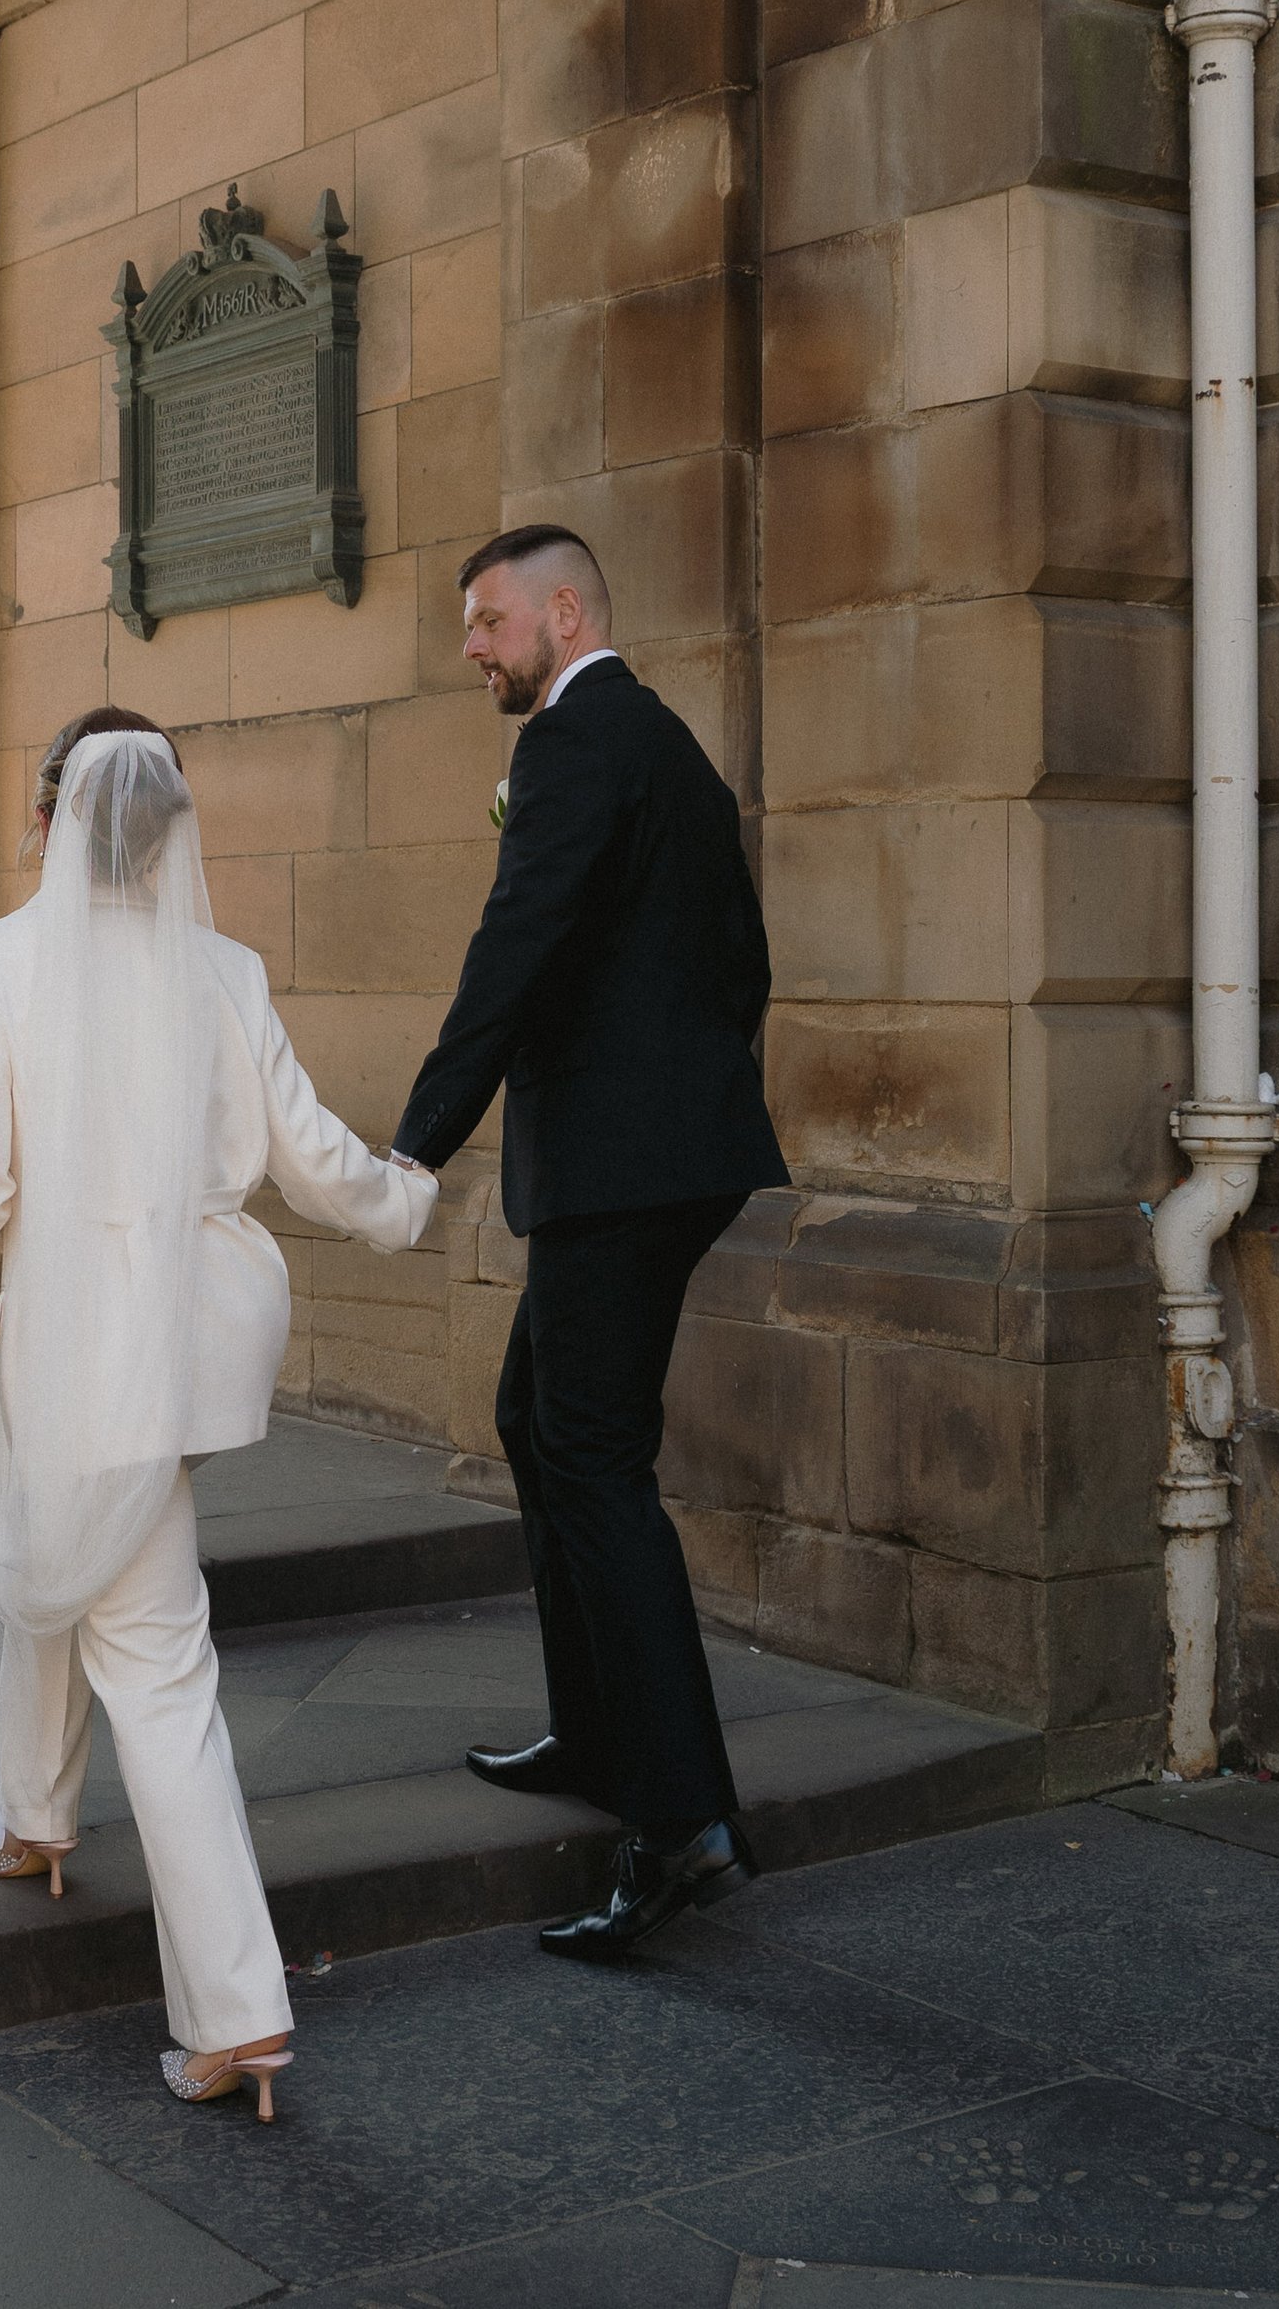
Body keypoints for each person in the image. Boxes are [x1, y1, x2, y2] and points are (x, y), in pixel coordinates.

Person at [0, 705, 438, 2116]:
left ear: (47, 814)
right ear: (167, 827)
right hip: (197, 1339)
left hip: (78, 1339)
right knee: (79, 1548)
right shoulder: (226, 968)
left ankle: (239, 2008)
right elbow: (311, 1154)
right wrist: (407, 1198)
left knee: (155, 1651)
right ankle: (37, 1813)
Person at [390, 526, 786, 1961]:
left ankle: (680, 1819)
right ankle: (599, 1725)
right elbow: (741, 961)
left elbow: (519, 945)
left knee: (596, 1459)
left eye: (489, 619)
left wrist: (412, 1144)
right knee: (535, 1418)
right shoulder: (667, 744)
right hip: (679, 1157)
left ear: (565, 610)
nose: (476, 649)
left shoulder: (571, 742)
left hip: (619, 1175)